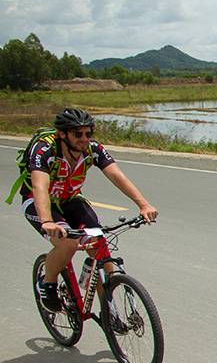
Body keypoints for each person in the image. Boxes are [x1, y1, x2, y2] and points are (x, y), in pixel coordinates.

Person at [19, 108, 158, 312]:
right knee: (68, 244)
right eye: (78, 134)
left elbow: (117, 176)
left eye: (88, 133)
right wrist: (47, 221)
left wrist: (143, 204)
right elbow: (40, 186)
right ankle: (47, 283)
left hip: (70, 199)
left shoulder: (92, 149)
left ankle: (109, 313)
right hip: (38, 202)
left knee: (100, 246)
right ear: (62, 134)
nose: (84, 139)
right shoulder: (44, 150)